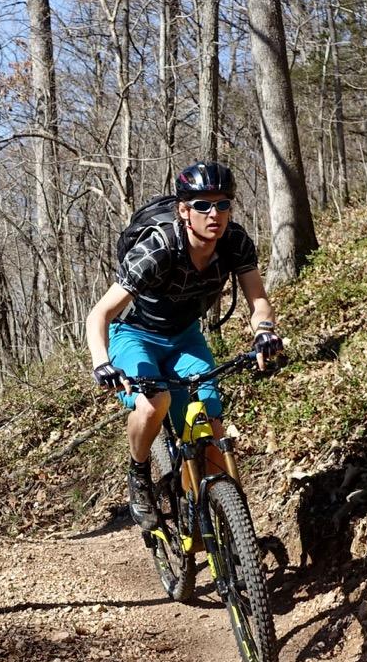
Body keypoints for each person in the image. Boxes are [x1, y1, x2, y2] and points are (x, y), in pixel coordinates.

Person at [84, 162, 284, 529]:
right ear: (183, 210)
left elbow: (258, 300)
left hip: (186, 336)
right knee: (153, 403)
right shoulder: (158, 249)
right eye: (202, 205)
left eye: (223, 205)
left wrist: (265, 331)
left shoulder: (235, 242)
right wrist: (102, 363)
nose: (215, 214)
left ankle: (227, 529)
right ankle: (139, 473)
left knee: (211, 428)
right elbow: (99, 314)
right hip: (135, 335)